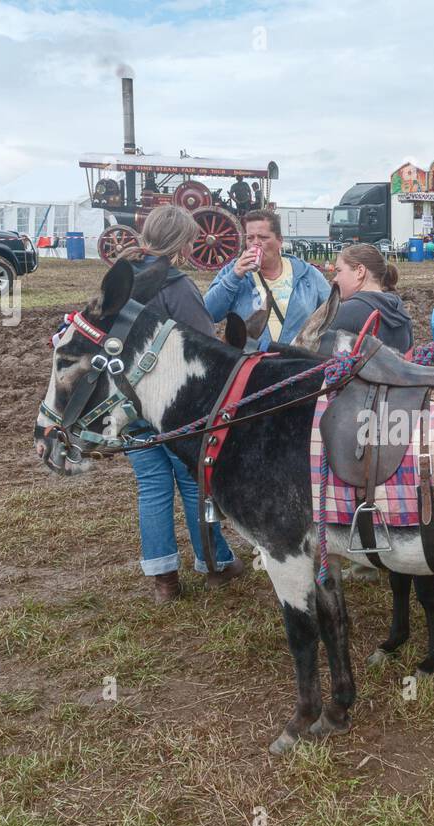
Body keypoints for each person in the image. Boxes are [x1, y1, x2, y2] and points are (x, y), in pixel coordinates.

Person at [115, 206, 245, 601]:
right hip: (174, 406)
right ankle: (215, 563)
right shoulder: (177, 286)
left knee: (152, 488)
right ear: (179, 243)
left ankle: (164, 581)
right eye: (190, 239)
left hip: (129, 402)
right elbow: (203, 346)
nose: (193, 245)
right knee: (193, 484)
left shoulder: (120, 277)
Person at [203, 209, 331, 350]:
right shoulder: (232, 272)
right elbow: (208, 314)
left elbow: (333, 313)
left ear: (280, 241)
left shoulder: (307, 274)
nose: (255, 244)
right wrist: (234, 277)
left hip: (296, 362)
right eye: (250, 238)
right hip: (251, 362)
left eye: (263, 238)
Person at [329, 243, 414, 351]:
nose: (335, 279)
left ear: (360, 271)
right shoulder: (401, 312)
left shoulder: (345, 312)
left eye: (339, 271)